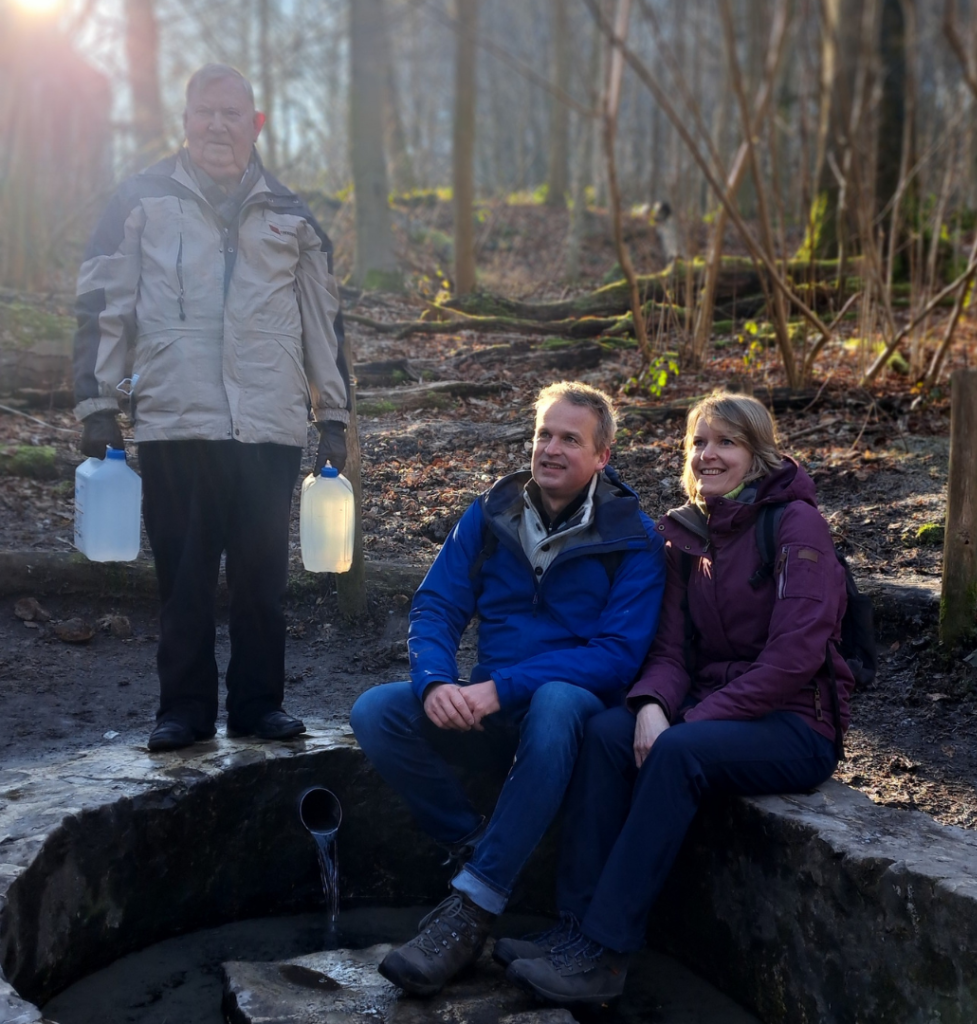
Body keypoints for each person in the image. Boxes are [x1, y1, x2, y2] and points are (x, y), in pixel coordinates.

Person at [503, 392, 854, 1004]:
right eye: (698, 442)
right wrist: (652, 707)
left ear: (757, 454)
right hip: (711, 714)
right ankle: (574, 928)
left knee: (676, 753)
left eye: (726, 443)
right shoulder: (688, 533)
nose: (708, 455)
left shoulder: (797, 525)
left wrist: (686, 719)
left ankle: (605, 956)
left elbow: (794, 657)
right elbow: (668, 651)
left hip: (797, 724)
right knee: (609, 733)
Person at [350, 381, 665, 997]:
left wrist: (503, 687)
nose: (550, 448)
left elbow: (616, 657)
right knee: (376, 711)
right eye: (543, 434)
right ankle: (476, 846)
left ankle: (471, 912)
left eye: (570, 439)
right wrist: (437, 680)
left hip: (569, 718)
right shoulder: (492, 514)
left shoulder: (635, 538)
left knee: (553, 700)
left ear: (603, 457)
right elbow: (437, 605)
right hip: (492, 710)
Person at [72, 64, 351, 753]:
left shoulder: (293, 213)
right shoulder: (140, 199)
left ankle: (258, 706)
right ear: (186, 121)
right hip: (176, 420)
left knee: (262, 582)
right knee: (184, 581)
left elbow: (325, 321)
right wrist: (97, 403)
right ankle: (184, 713)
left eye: (234, 114)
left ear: (255, 125)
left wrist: (336, 418)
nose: (220, 125)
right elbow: (105, 304)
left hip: (269, 424)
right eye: (207, 113)